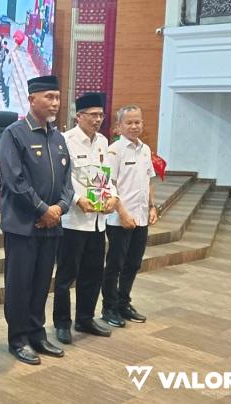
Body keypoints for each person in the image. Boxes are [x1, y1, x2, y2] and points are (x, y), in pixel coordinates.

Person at [0, 75, 74, 365]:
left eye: (57, 97)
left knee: (42, 282)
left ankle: (37, 333)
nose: (55, 103)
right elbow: (14, 180)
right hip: (22, 226)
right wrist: (43, 209)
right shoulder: (15, 134)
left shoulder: (57, 138)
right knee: (19, 285)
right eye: (49, 97)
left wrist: (60, 208)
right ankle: (17, 338)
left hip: (51, 226)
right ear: (32, 100)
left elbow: (69, 180)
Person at [53, 93, 117, 345]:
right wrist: (77, 198)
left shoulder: (102, 141)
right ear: (78, 116)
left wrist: (113, 196)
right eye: (93, 115)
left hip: (98, 221)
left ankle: (85, 318)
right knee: (66, 275)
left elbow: (106, 176)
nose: (98, 120)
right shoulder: (65, 141)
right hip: (73, 221)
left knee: (93, 272)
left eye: (101, 115)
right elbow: (63, 178)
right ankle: (62, 323)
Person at [101, 105, 158, 329]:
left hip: (141, 217)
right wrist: (122, 213)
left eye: (138, 122)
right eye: (129, 122)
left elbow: (148, 180)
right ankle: (109, 307)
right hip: (119, 219)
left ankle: (124, 302)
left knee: (133, 264)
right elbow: (108, 185)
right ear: (119, 126)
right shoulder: (114, 151)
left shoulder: (145, 149)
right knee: (115, 265)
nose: (134, 126)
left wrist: (153, 207)